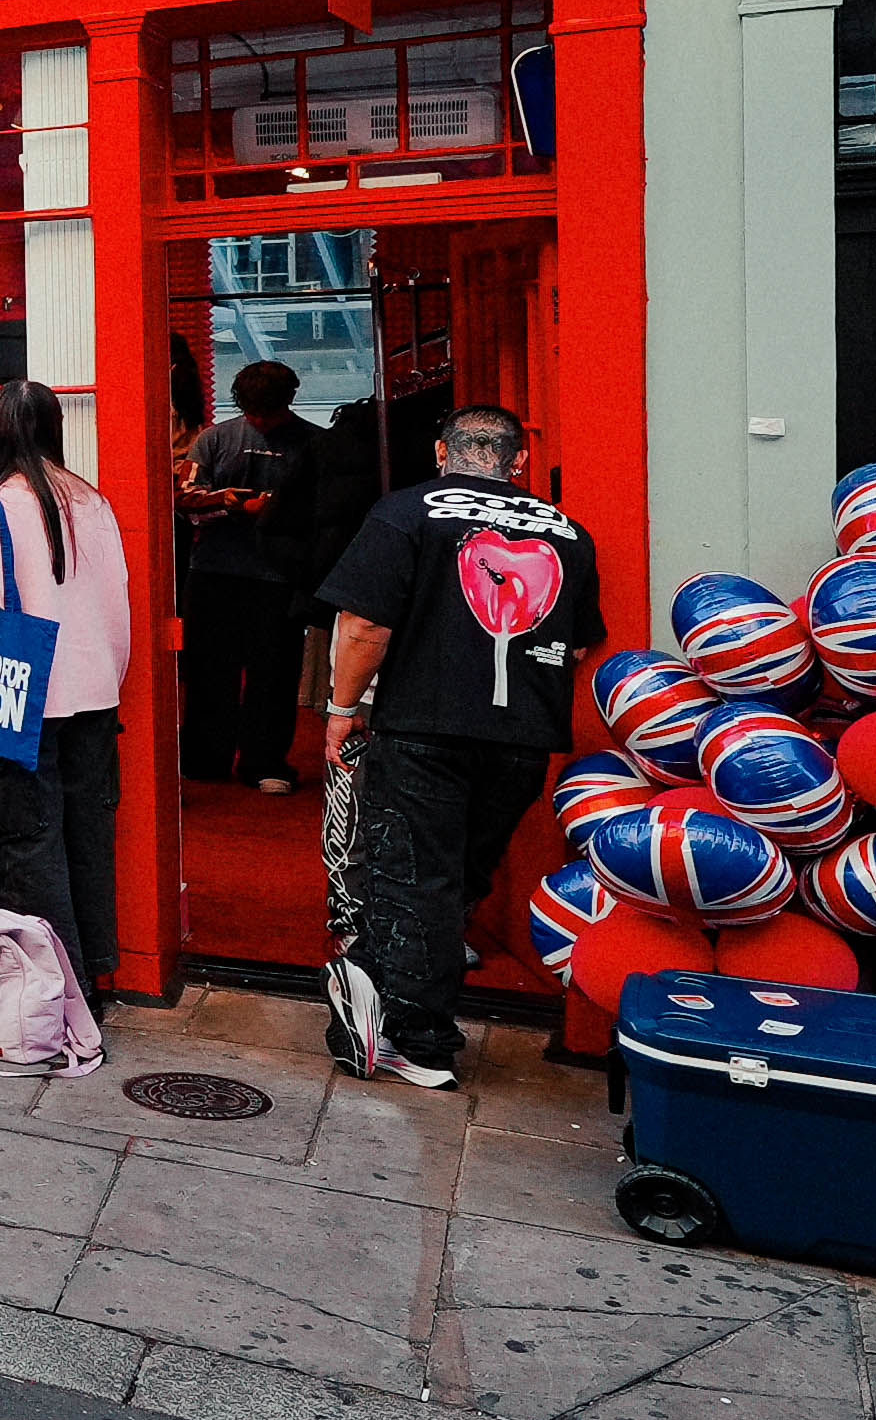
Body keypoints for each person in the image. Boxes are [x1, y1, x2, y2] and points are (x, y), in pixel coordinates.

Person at [312, 404, 604, 1089]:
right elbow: (582, 639)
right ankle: (372, 988)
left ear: (441, 451)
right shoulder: (567, 531)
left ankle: (421, 1041)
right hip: (524, 736)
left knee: (418, 880)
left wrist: (341, 709)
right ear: (518, 459)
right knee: (457, 881)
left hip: (425, 726)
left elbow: (364, 625)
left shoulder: (408, 511)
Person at [0, 382, 135, 998]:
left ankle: (48, 991)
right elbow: (117, 615)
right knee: (88, 841)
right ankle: (90, 974)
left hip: (19, 703)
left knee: (28, 850)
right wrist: (107, 679)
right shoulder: (96, 503)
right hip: (96, 700)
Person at [181, 359, 322, 792]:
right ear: (240, 404)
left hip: (279, 574)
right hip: (215, 570)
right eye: (254, 411)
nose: (261, 421)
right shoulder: (214, 439)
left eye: (270, 412)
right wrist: (235, 503)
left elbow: (326, 510)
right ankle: (206, 757)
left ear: (289, 402)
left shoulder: (314, 444)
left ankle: (265, 762)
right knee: (209, 671)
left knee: (275, 674)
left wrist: (277, 511)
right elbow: (183, 500)